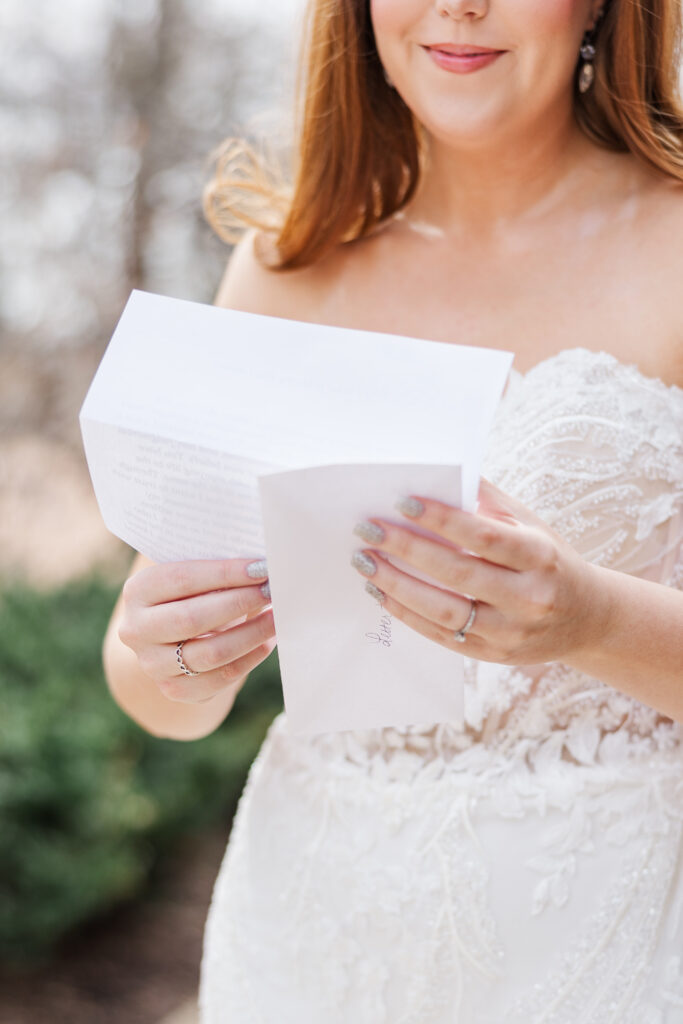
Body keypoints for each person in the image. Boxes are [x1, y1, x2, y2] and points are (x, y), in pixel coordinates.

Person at [103, 0, 683, 1019]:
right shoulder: (283, 264)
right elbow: (154, 682)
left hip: (613, 940)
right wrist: (170, 660)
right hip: (311, 937)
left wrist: (590, 620)